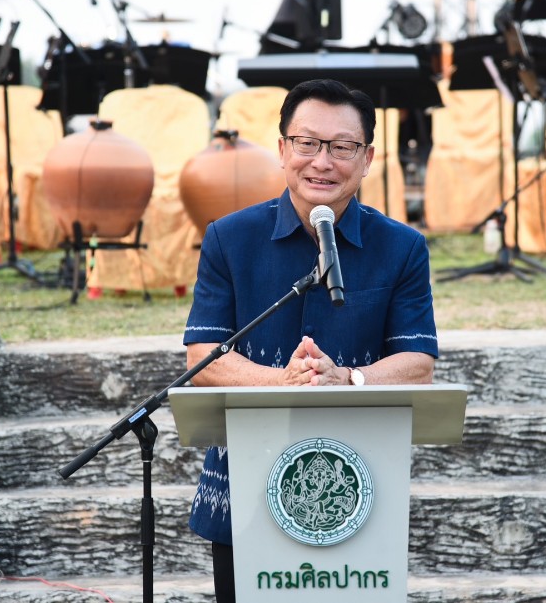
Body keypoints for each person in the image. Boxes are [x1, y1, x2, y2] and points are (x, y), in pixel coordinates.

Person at [182, 78, 439, 603]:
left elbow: (418, 362)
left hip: (358, 482)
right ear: (282, 149)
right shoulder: (229, 239)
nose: (322, 162)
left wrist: (347, 378)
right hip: (244, 479)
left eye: (342, 147)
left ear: (367, 159)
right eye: (307, 143)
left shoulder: (403, 247)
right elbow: (204, 358)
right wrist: (284, 381)